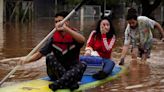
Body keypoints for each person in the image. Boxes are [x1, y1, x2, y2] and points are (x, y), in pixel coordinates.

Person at [19, 11, 87, 91]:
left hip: (72, 72)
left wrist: (66, 29)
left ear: (67, 22)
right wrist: (26, 60)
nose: (58, 23)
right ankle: (69, 83)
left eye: (60, 21)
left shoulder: (75, 36)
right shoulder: (53, 38)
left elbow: (82, 40)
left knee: (83, 64)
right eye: (56, 22)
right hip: (57, 73)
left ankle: (59, 83)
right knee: (49, 57)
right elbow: (39, 54)